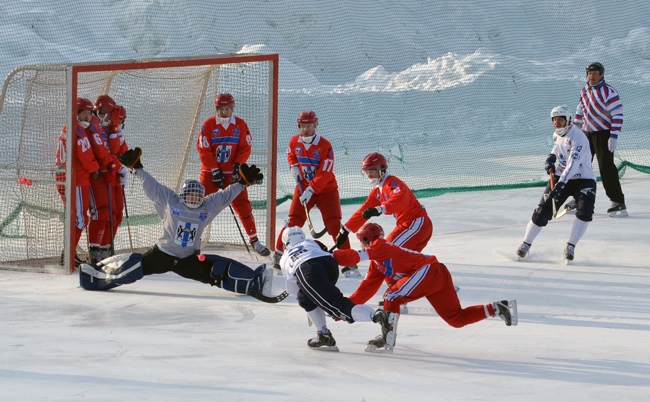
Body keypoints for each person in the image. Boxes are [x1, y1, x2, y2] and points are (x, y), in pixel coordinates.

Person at [79, 147, 280, 303]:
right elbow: (153, 186)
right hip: (162, 254)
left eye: (197, 195)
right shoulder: (171, 201)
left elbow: (225, 196)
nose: (193, 198)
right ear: (183, 195)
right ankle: (95, 276)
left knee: (216, 270)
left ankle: (254, 282)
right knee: (134, 266)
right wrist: (138, 169)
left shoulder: (207, 207)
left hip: (188, 259)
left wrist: (243, 183)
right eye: (190, 194)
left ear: (202, 196)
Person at [333, 222, 517, 354]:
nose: (360, 244)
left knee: (391, 295)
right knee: (456, 319)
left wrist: (329, 255)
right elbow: (364, 290)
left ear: (367, 239)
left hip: (428, 270)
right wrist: (340, 309)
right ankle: (497, 308)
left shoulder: (381, 246)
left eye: (361, 240)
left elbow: (353, 258)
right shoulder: (376, 264)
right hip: (437, 275)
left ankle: (387, 337)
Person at [273, 110, 355, 276]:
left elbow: (325, 172)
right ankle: (278, 254)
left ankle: (349, 262)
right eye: (303, 126)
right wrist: (294, 166)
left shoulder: (325, 145)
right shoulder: (294, 141)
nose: (306, 129)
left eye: (309, 126)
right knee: (293, 221)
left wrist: (312, 189)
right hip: (303, 188)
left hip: (326, 190)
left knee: (334, 225)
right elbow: (291, 155)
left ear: (316, 126)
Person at [334, 152, 434, 285]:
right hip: (411, 226)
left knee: (385, 252)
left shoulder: (392, 182)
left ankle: (432, 279)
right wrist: (345, 230)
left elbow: (400, 199)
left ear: (382, 169)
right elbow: (363, 212)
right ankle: (409, 292)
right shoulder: (377, 191)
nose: (369, 175)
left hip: (415, 224)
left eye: (372, 171)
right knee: (402, 263)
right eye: (366, 172)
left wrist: (380, 209)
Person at [516, 105, 597, 262]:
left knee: (585, 210)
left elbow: (573, 164)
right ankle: (526, 243)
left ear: (568, 120)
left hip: (583, 179)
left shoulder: (579, 138)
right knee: (542, 211)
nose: (557, 123)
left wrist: (561, 185)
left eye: (560, 119)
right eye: (554, 120)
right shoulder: (558, 135)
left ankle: (571, 245)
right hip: (562, 176)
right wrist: (551, 158)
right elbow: (558, 148)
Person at [279, 226, 380, 351]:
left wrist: (311, 292)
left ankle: (378, 316)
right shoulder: (310, 242)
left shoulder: (285, 257)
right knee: (304, 298)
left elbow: (292, 289)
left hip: (308, 269)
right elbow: (324, 249)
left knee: (339, 307)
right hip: (329, 264)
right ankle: (324, 335)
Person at [196, 93, 270, 256]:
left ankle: (254, 240)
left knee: (243, 205)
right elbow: (203, 149)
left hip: (233, 173)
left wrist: (238, 166)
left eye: (228, 109)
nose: (225, 112)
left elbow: (245, 147)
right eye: (222, 109)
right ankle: (195, 239)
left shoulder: (240, 125)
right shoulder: (208, 125)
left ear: (232, 109)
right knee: (202, 206)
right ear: (217, 109)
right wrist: (214, 169)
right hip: (210, 173)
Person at [574, 62, 626, 217]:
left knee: (605, 167)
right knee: (580, 165)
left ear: (602, 75)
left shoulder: (608, 91)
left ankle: (618, 201)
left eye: (595, 73)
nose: (591, 76)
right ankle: (577, 198)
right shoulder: (584, 91)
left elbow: (617, 114)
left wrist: (614, 135)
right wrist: (575, 134)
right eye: (589, 73)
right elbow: (579, 112)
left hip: (603, 134)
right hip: (586, 134)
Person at [55, 97, 101, 267]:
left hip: (62, 177)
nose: (88, 117)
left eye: (90, 113)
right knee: (80, 219)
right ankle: (67, 255)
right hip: (76, 179)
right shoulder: (78, 131)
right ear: (76, 113)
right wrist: (96, 168)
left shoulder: (66, 128)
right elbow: (85, 154)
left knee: (73, 217)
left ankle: (69, 253)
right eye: (85, 113)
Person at [86, 94, 123, 263]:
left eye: (105, 113)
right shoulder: (93, 125)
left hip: (109, 172)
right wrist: (110, 165)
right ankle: (94, 249)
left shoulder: (110, 128)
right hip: (98, 173)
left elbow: (115, 150)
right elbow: (100, 151)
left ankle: (105, 248)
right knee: (100, 212)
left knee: (112, 214)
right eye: (98, 112)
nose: (102, 117)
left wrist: (115, 129)